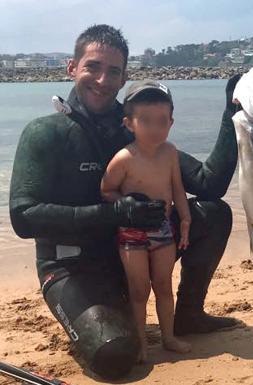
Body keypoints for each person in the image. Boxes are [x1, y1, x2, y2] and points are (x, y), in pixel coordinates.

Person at [9, 24, 241, 379]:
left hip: (136, 254)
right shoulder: (47, 133)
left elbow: (210, 184)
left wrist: (233, 113)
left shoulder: (135, 129)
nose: (102, 79)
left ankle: (189, 314)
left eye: (113, 71)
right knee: (114, 356)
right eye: (92, 67)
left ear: (123, 78)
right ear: (72, 68)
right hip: (72, 268)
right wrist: (113, 213)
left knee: (212, 213)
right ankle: (107, 320)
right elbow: (24, 217)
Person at [101, 80, 192, 362]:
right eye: (146, 121)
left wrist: (185, 220)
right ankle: (141, 344)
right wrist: (125, 206)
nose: (155, 129)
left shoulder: (170, 153)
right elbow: (106, 190)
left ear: (171, 122)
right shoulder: (124, 158)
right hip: (132, 233)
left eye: (162, 121)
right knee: (139, 290)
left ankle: (168, 336)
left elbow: (177, 189)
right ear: (129, 124)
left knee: (163, 285)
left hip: (163, 230)